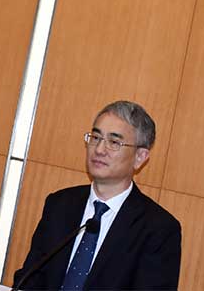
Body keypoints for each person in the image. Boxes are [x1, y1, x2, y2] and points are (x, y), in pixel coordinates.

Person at [13, 101, 181, 290]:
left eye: (114, 142)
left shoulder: (158, 229)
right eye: (95, 137)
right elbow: (30, 279)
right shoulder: (59, 205)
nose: (99, 150)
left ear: (140, 157)